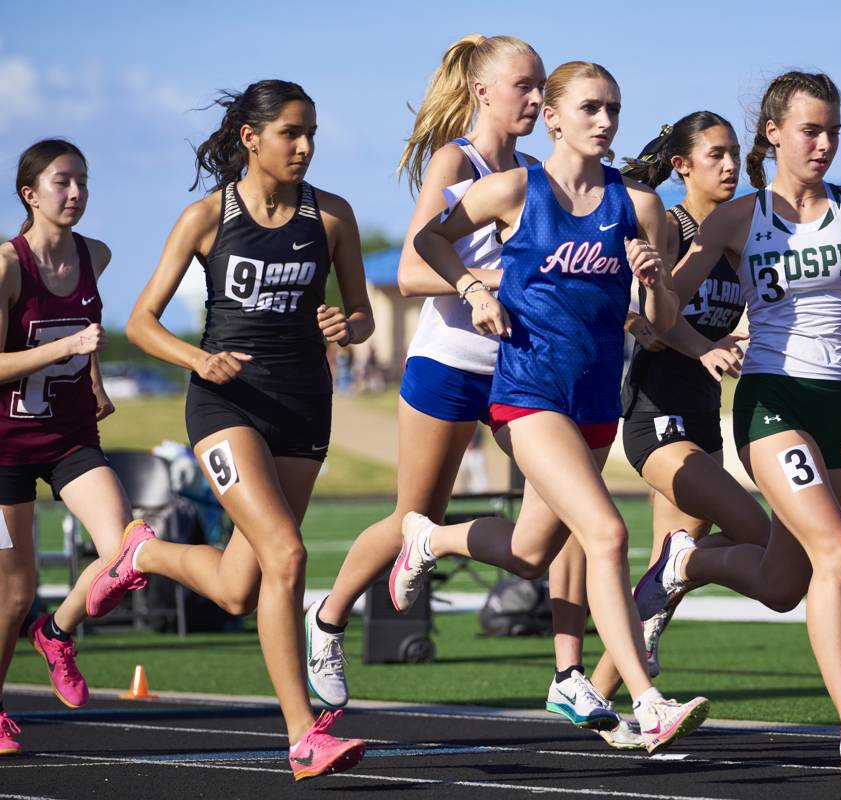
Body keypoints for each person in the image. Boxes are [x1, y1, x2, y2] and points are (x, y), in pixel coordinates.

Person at [395, 60, 710, 755]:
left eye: (614, 110)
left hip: (595, 399)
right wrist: (475, 291)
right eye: (591, 108)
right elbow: (428, 241)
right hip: (529, 394)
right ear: (556, 118)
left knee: (533, 552)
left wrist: (652, 281)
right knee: (606, 532)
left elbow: (657, 321)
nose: (604, 122)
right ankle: (647, 701)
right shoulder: (511, 189)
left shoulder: (641, 208)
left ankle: (432, 538)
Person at [301, 35, 610, 732]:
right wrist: (489, 282)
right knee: (416, 513)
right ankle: (327, 618)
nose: (536, 98)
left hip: (521, 372)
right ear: (483, 92)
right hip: (448, 364)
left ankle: (568, 673)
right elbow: (411, 271)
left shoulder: (536, 172)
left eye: (541, 87)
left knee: (563, 519)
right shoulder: (455, 160)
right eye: (525, 86)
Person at [653, 70, 841, 767]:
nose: (825, 143)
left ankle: (687, 560)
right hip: (773, 400)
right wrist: (646, 274)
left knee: (786, 584)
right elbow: (664, 312)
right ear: (774, 133)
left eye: (834, 130)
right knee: (836, 552)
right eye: (812, 129)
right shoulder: (737, 218)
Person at [121, 79, 371, 780]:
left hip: (302, 407)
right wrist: (199, 357)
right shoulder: (206, 217)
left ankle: (142, 555)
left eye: (312, 131)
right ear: (250, 138)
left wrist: (345, 326)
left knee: (239, 584)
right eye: (291, 132)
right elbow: (141, 321)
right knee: (287, 555)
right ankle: (301, 735)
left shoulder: (333, 218)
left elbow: (363, 315)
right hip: (224, 407)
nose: (305, 145)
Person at [586, 112, 769, 748]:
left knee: (661, 585)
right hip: (654, 416)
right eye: (714, 154)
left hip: (701, 417)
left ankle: (604, 705)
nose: (729, 166)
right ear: (683, 165)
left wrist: (734, 340)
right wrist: (701, 347)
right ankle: (679, 569)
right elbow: (650, 320)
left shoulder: (740, 237)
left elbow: (714, 322)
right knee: (755, 534)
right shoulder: (670, 224)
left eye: (734, 156)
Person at [0, 139, 157, 755]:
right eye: (62, 182)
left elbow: (82, 330)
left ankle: (58, 631)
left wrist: (89, 378)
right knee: (13, 592)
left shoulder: (98, 254)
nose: (75, 193)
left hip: (69, 438)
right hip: (5, 448)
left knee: (123, 548)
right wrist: (63, 351)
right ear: (29, 194)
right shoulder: (9, 266)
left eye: (83, 182)